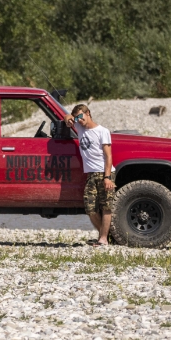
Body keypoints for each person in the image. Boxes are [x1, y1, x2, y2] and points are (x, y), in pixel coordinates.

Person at [66, 103, 115, 246]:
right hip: (91, 174)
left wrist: (107, 178)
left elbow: (108, 156)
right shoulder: (80, 128)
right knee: (90, 208)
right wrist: (69, 119)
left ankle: (103, 239)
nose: (79, 120)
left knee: (106, 206)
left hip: (105, 172)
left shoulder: (102, 131)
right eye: (77, 118)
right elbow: (66, 116)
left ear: (88, 113)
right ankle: (105, 236)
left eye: (81, 116)